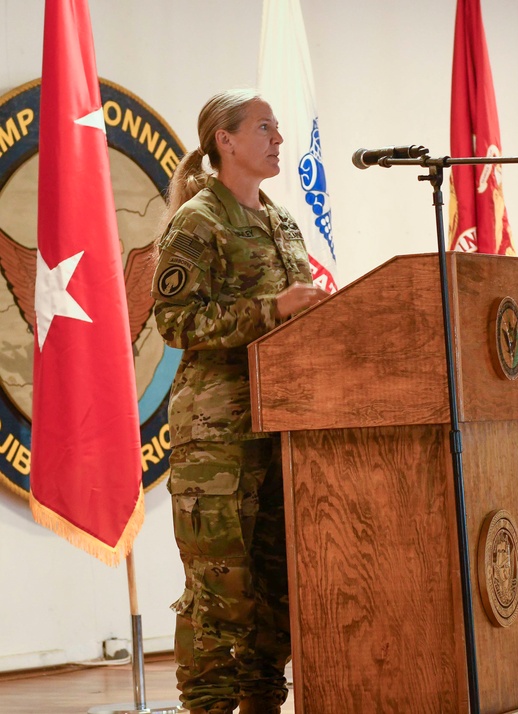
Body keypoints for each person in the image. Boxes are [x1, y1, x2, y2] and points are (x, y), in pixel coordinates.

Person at [151, 89, 327, 714]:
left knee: (277, 587)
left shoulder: (280, 222)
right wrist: (271, 310)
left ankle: (261, 699)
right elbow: (174, 322)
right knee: (220, 589)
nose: (279, 140)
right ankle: (208, 705)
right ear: (225, 141)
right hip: (217, 437)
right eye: (264, 128)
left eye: (278, 129)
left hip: (282, 425)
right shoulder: (197, 221)